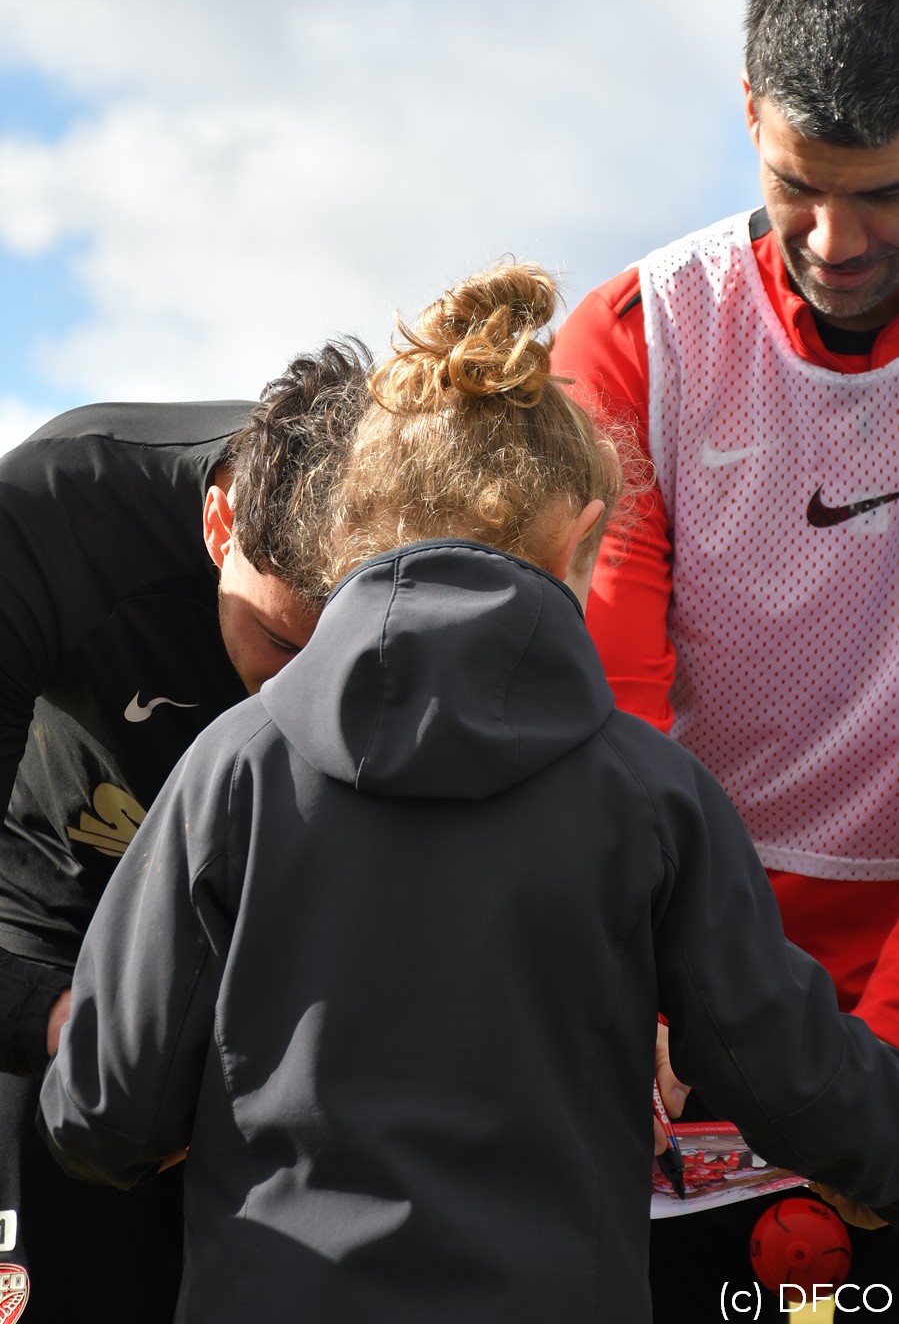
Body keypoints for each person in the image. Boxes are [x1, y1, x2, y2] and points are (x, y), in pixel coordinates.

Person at [37, 262, 899, 1324]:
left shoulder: (230, 768)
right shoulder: (653, 796)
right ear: (581, 537)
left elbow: (103, 1109)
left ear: (346, 531)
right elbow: (787, 1074)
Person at [551, 0, 899, 1314]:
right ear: (746, 112)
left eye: (881, 195)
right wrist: (645, 984)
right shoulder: (633, 339)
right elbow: (606, 709)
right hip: (695, 943)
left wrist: (873, 1060)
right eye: (795, 187)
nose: (836, 241)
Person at [0, 340, 370, 1323]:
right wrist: (56, 1020)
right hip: (51, 941)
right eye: (282, 642)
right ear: (219, 525)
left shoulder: (424, 555)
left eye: (340, 661)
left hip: (280, 970)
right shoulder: (51, 513)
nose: (301, 698)